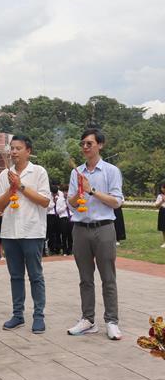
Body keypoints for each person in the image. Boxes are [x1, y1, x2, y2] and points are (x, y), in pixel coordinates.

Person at [67, 129, 124, 340]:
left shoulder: (111, 171)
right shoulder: (76, 173)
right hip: (80, 229)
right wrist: (78, 193)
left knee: (108, 277)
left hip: (104, 228)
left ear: (100, 145)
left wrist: (91, 190)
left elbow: (117, 201)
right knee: (85, 278)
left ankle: (111, 321)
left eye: (89, 143)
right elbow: (70, 204)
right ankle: (88, 320)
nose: (85, 147)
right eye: (82, 143)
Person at [0, 135, 51, 334]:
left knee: (35, 276)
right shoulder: (4, 175)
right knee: (15, 276)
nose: (14, 152)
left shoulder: (38, 172)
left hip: (32, 231)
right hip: (10, 232)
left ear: (28, 150)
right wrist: (10, 190)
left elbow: (45, 201)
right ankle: (18, 315)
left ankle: (38, 316)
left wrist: (21, 186)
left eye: (18, 148)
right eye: (12, 148)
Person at [46, 185, 62, 255]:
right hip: (50, 215)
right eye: (53, 193)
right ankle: (51, 248)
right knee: (51, 233)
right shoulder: (48, 195)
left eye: (55, 193)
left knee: (58, 232)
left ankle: (58, 248)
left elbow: (62, 204)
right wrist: (53, 202)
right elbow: (47, 207)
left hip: (58, 215)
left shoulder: (60, 194)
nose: (54, 194)